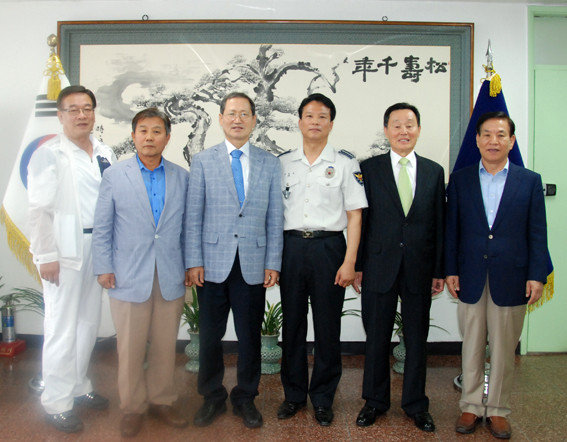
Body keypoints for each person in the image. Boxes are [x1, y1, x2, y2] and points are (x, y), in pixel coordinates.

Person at [445, 111, 548, 439]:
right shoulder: (460, 180)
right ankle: (471, 405)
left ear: (511, 141)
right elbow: (452, 230)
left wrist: (536, 274)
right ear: (477, 140)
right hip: (471, 273)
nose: (493, 140)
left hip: (513, 275)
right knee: (472, 343)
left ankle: (498, 409)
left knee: (504, 347)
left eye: (501, 135)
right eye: (487, 134)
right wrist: (450, 270)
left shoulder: (529, 181)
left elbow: (537, 232)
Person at [186, 92, 283, 429]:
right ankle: (212, 396)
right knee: (210, 336)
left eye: (244, 114)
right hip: (211, 263)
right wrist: (193, 261)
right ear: (221, 118)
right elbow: (193, 215)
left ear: (254, 120)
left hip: (253, 263)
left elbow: (275, 217)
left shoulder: (270, 163)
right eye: (231, 113)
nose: (237, 119)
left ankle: (245, 398)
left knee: (250, 336)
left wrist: (273, 262)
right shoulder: (203, 161)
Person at [92, 107, 190, 437]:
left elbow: (187, 228)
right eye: (143, 131)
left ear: (167, 137)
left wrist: (190, 266)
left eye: (157, 131)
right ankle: (132, 407)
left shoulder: (181, 177)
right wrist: (104, 266)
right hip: (127, 274)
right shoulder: (115, 176)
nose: (150, 137)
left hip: (169, 274)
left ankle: (162, 400)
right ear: (133, 136)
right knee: (130, 347)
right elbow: (103, 226)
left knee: (164, 346)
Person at [27, 85, 115, 433]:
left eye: (87, 108)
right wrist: (46, 255)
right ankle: (57, 401)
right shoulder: (48, 154)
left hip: (99, 246)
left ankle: (78, 385)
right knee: (61, 327)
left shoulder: (104, 151)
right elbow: (39, 210)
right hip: (63, 250)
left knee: (88, 322)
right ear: (60, 115)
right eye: (74, 109)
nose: (82, 115)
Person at [277, 93, 367, 427]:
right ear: (299, 121)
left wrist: (350, 261)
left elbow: (355, 216)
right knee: (293, 324)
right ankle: (293, 395)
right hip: (291, 248)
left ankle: (323, 398)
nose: (315, 122)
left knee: (328, 327)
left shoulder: (345, 163)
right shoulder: (283, 162)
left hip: (330, 249)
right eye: (309, 116)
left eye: (322, 116)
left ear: (331, 123)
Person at [354, 102, 445, 432]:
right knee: (376, 337)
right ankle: (374, 402)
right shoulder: (369, 168)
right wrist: (358, 265)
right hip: (378, 265)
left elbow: (439, 223)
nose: (403, 131)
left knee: (417, 338)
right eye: (397, 125)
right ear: (386, 130)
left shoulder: (434, 171)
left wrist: (438, 270)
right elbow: (361, 221)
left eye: (410, 125)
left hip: (420, 267)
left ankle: (416, 405)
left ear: (418, 129)